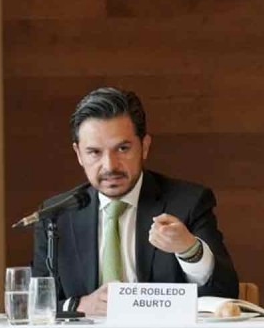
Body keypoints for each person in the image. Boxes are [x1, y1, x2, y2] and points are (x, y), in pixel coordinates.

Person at [32, 87, 238, 315]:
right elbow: (37, 305)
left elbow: (225, 293)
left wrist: (189, 250)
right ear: (79, 154)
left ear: (144, 147)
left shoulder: (187, 203)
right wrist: (79, 305)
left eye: (122, 149)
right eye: (94, 152)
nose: (110, 166)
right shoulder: (56, 215)